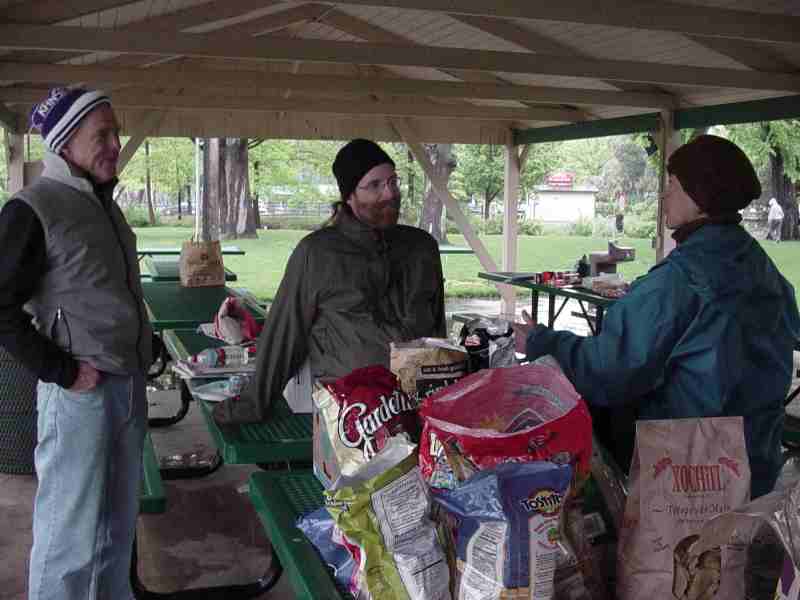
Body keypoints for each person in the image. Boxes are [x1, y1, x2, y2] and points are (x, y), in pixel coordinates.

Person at [514, 135, 800, 498]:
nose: (664, 196)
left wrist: (543, 340)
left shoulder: (683, 277)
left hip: (690, 472)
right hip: (755, 461)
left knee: (685, 555)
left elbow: (611, 370)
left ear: (701, 197)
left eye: (672, 186)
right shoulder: (759, 264)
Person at [0, 87, 155, 598]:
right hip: (79, 395)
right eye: (102, 135)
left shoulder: (102, 203)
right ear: (65, 144)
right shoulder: (34, 206)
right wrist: (63, 371)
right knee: (70, 538)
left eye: (115, 131)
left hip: (126, 385)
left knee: (117, 526)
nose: (115, 143)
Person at [213, 139, 446, 425]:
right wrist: (253, 404)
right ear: (349, 195)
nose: (390, 193)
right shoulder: (318, 253)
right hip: (354, 414)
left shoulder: (421, 247)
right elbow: (285, 333)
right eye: (374, 185)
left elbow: (438, 331)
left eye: (393, 182)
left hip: (420, 406)